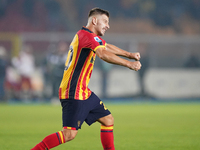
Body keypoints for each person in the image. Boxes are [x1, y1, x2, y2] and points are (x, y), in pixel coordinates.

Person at [31, 8, 141, 150]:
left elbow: (107, 46)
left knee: (108, 119)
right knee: (69, 134)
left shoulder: (87, 36)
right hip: (73, 91)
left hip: (83, 91)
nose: (108, 25)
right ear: (94, 20)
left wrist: (129, 54)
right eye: (105, 21)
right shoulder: (87, 37)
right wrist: (129, 64)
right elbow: (103, 54)